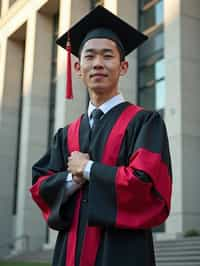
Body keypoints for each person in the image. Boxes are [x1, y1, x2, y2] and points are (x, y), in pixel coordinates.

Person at [30, 5, 172, 266]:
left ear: (124, 66)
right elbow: (41, 187)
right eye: (90, 56)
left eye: (108, 56)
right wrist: (72, 179)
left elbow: (148, 187)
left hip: (123, 253)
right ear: (77, 67)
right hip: (70, 251)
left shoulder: (144, 122)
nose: (98, 64)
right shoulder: (66, 134)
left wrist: (90, 169)